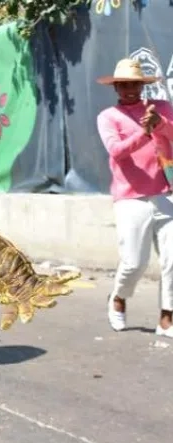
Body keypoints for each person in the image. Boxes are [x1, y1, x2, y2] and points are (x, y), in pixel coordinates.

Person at [96, 58, 173, 337]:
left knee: (172, 259)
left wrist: (159, 123)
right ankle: (118, 297)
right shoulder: (108, 117)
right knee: (134, 263)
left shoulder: (161, 108)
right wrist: (145, 132)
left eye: (135, 84)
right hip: (130, 198)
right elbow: (116, 151)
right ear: (116, 87)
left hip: (166, 193)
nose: (130, 89)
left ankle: (167, 318)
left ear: (142, 86)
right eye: (124, 85)